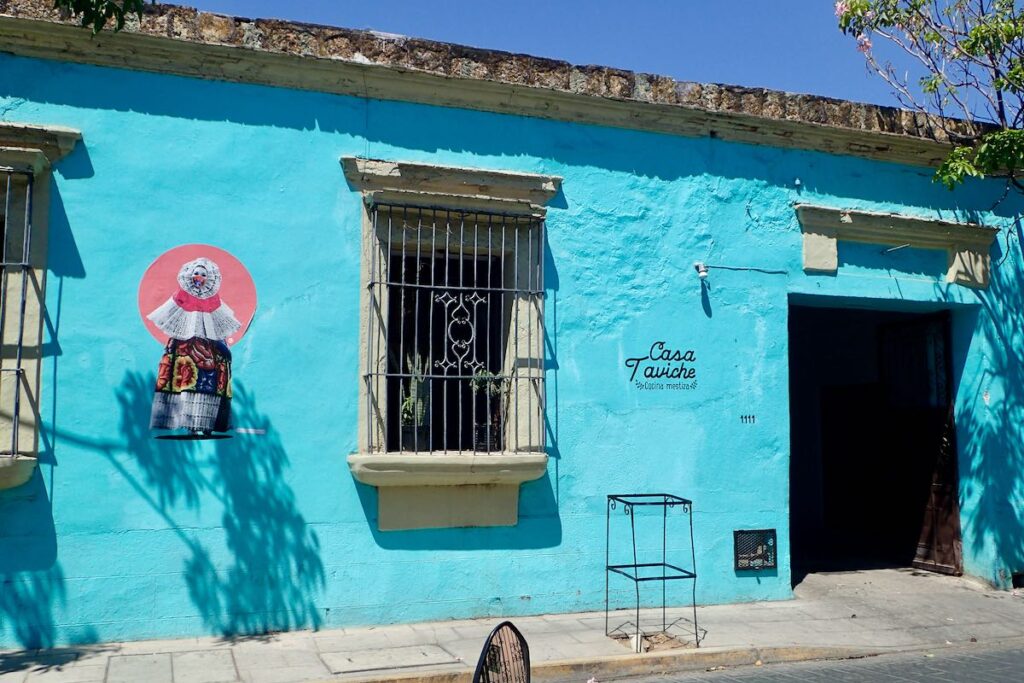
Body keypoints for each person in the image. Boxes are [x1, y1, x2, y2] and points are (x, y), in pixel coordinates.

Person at [147, 257, 240, 436]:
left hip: (209, 345)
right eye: (196, 273)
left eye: (203, 274)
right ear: (190, 275)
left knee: (210, 381)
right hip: (185, 342)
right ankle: (187, 423)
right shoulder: (181, 295)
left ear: (209, 278)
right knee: (183, 379)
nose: (199, 276)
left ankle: (207, 424)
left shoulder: (213, 299)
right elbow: (168, 313)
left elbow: (221, 322)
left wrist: (221, 345)